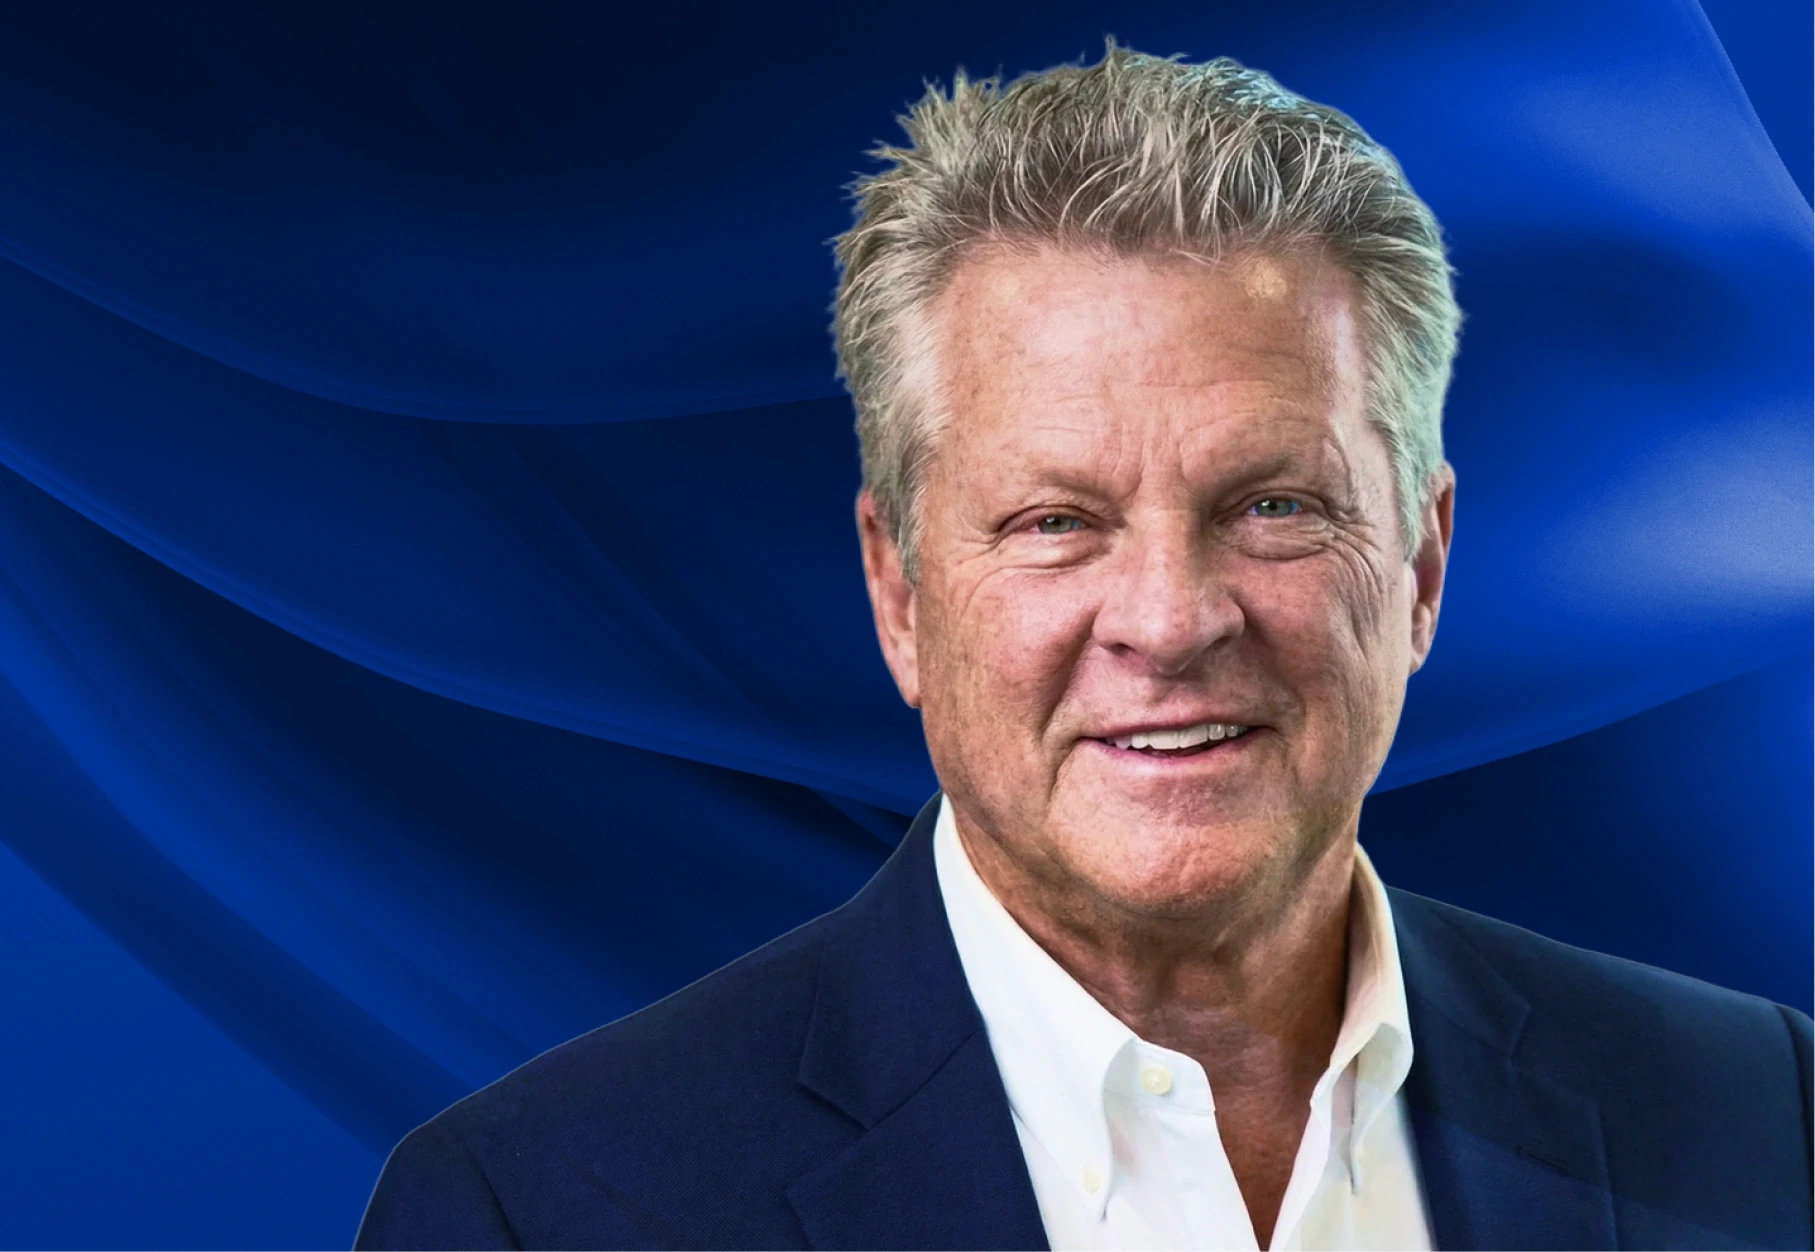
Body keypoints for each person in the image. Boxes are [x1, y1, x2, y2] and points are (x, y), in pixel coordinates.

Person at [352, 44, 1815, 1252]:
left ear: (1423, 567)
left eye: (1274, 505)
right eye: (1056, 521)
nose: (1170, 620)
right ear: (899, 590)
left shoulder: (1761, 1116)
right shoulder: (539, 1216)